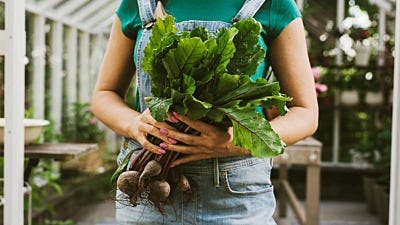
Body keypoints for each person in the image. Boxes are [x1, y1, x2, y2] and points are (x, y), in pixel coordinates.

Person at [91, 0, 318, 224]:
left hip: (233, 199)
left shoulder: (272, 4)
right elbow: (104, 94)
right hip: (147, 188)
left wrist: (234, 142)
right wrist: (134, 124)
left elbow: (306, 114)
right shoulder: (138, 4)